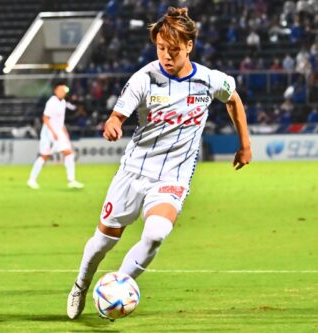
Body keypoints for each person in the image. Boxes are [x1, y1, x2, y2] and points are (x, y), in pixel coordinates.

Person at [66, 7, 252, 319]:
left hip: (173, 177)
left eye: (174, 49)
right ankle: (81, 286)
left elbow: (233, 98)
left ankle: (117, 287)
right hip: (134, 172)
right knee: (102, 242)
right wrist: (113, 123)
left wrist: (244, 144)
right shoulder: (145, 78)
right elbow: (118, 114)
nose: (166, 55)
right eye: (161, 48)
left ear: (189, 46)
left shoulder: (209, 80)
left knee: (155, 234)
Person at [27, 83, 84, 189]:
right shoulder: (51, 102)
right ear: (56, 90)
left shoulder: (63, 102)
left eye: (64, 91)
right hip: (49, 133)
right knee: (44, 156)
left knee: (69, 153)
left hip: (59, 132)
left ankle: (71, 180)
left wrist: (65, 134)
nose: (63, 92)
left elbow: (60, 122)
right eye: (61, 90)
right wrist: (53, 133)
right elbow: (45, 118)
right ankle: (31, 179)